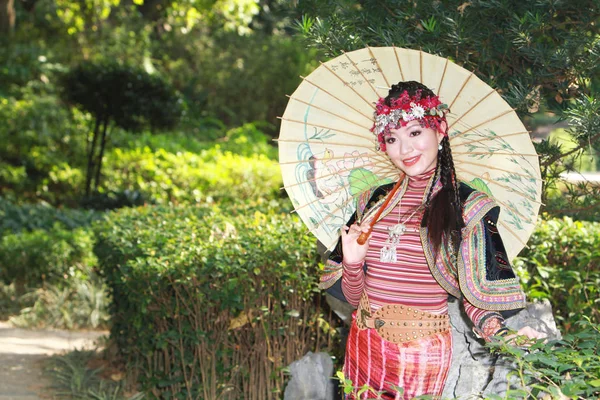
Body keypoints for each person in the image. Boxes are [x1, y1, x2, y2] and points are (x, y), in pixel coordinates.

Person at [318, 81, 545, 400]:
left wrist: (505, 335)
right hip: (363, 343)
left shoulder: (466, 205)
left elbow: (475, 296)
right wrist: (353, 263)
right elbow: (354, 299)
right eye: (392, 139)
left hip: (419, 355)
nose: (404, 150)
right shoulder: (373, 202)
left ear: (440, 129)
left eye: (414, 133)